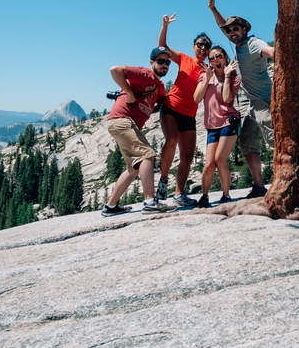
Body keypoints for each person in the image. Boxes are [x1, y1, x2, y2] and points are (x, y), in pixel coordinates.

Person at [207, 0, 299, 199]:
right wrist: (213, 8)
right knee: (247, 142)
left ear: (244, 29)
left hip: (264, 101)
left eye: (235, 29)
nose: (231, 33)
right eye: (229, 31)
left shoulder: (252, 43)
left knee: (275, 139)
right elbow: (222, 26)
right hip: (253, 105)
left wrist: (277, 52)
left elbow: (270, 51)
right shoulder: (237, 44)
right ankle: (259, 187)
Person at [103, 47, 177, 216]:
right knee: (147, 154)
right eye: (161, 61)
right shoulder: (144, 74)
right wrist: (128, 92)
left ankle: (110, 207)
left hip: (125, 124)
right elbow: (114, 70)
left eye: (167, 62)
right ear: (152, 63)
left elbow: (160, 104)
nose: (165, 65)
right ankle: (150, 202)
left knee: (133, 168)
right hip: (122, 120)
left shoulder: (159, 86)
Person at [156, 14, 212, 207]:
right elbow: (162, 47)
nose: (203, 48)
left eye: (206, 45)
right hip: (171, 107)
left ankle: (179, 194)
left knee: (187, 157)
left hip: (189, 115)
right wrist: (165, 26)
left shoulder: (209, 68)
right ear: (193, 46)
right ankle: (163, 182)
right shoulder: (185, 59)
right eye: (199, 44)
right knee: (171, 140)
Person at [193, 46, 241, 208]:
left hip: (229, 121)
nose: (215, 61)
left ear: (225, 57)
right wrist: (207, 79)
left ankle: (226, 195)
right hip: (212, 126)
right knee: (208, 164)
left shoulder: (234, 77)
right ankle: (205, 196)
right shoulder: (205, 77)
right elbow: (196, 98)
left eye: (218, 56)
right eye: (211, 58)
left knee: (220, 159)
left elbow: (227, 99)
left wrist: (227, 76)